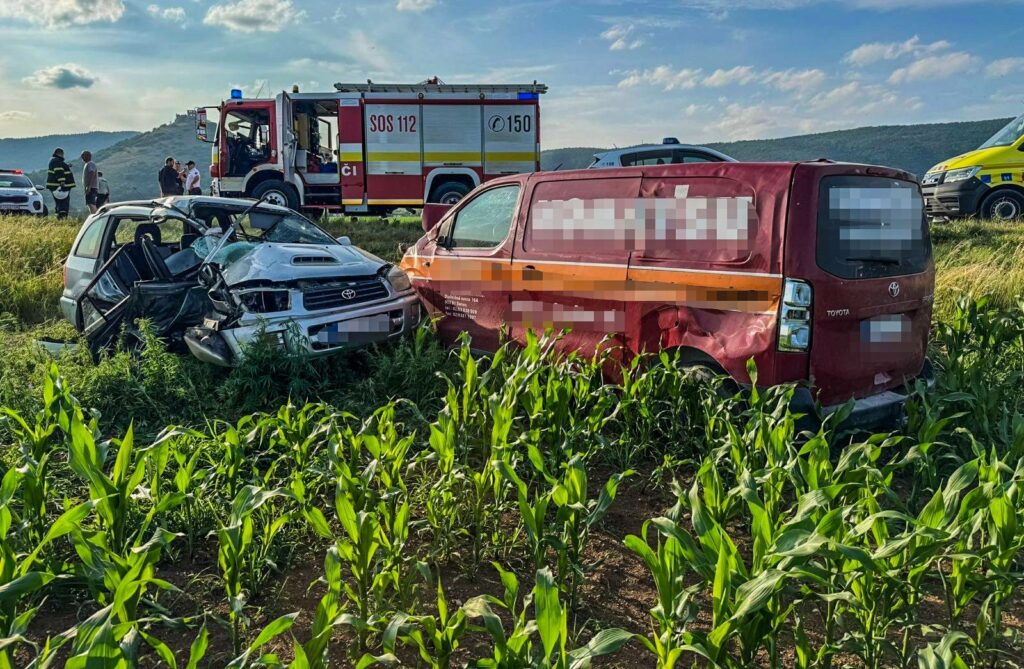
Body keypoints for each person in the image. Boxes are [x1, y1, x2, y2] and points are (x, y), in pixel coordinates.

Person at [46, 147, 76, 219]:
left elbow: (60, 167)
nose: (63, 155)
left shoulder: (55, 161)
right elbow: (59, 171)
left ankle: (59, 216)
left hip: (56, 186)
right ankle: (62, 217)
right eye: (63, 154)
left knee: (59, 203)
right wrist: (62, 182)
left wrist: (66, 165)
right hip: (59, 186)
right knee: (63, 203)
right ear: (60, 154)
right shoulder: (56, 161)